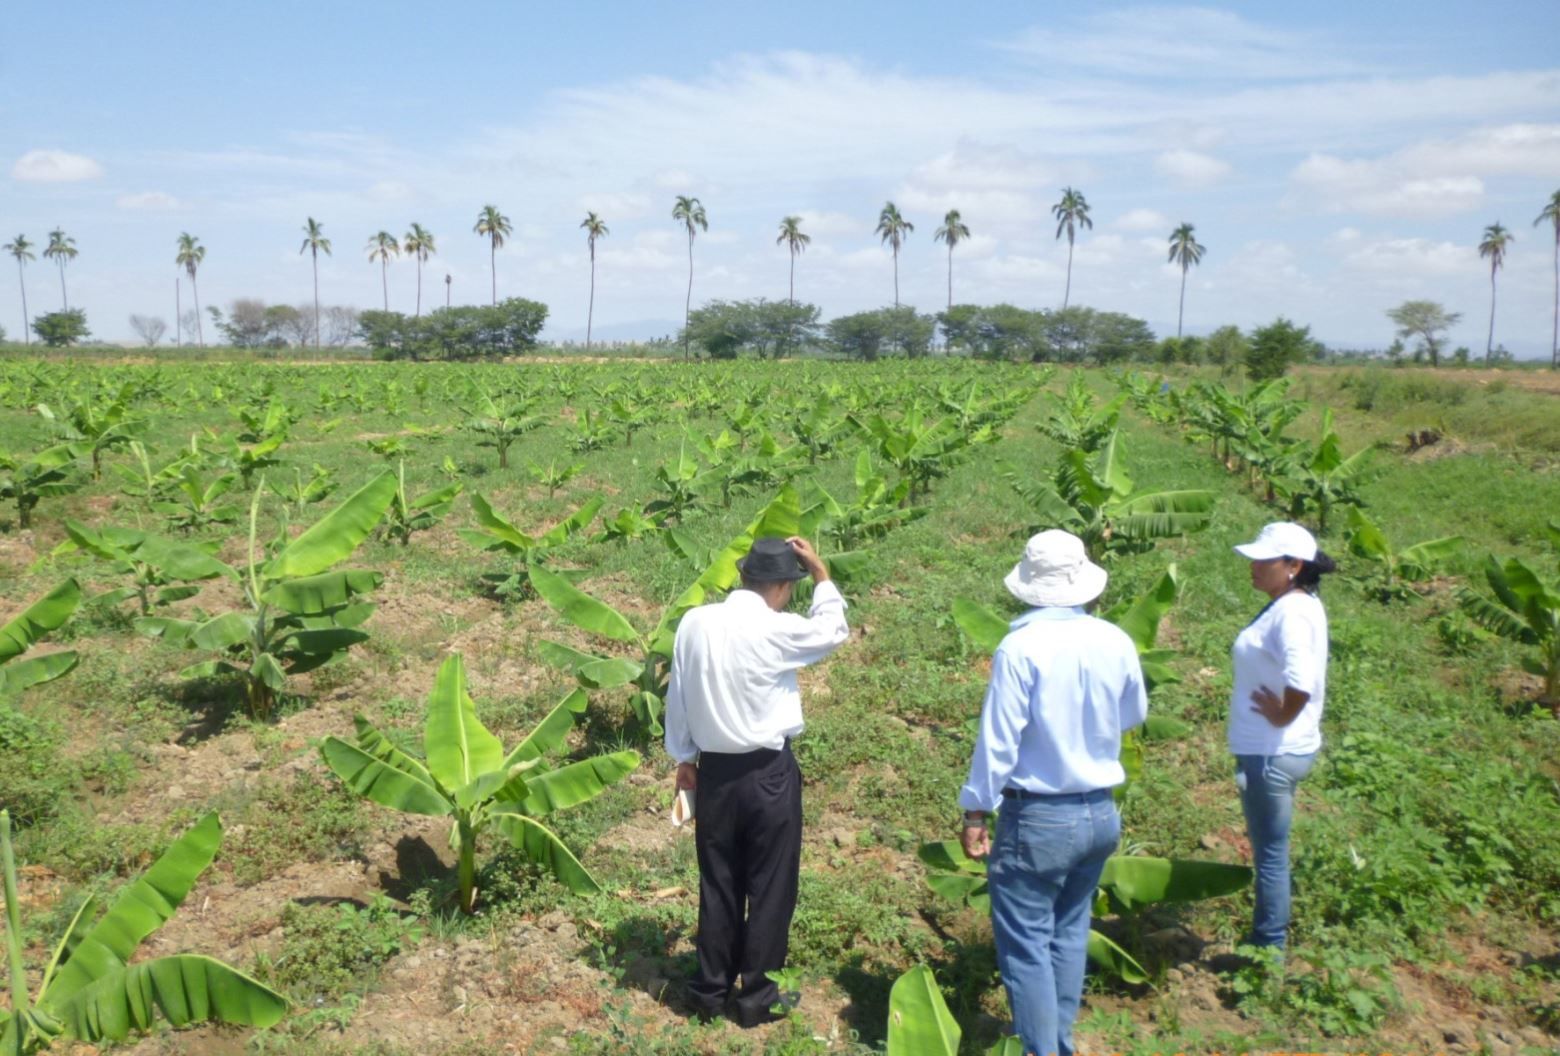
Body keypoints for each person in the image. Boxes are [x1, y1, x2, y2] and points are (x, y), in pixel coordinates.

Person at [958, 530, 1148, 1056]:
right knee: (1068, 932)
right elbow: (1133, 714)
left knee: (1026, 948)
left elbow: (998, 740)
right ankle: (1059, 1042)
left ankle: (1044, 1050)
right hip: (1099, 814)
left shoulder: (1020, 647)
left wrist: (976, 808)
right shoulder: (1115, 640)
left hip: (1040, 817)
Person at [664, 535, 849, 1027]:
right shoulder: (778, 629)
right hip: (768, 775)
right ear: (785, 587)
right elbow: (833, 630)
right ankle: (757, 1000)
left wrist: (684, 758)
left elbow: (678, 693)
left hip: (715, 773)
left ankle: (708, 993)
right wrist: (823, 575)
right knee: (770, 885)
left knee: (718, 881)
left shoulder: (695, 622)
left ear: (744, 576)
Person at [1229, 521, 1335, 951]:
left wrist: (1282, 714)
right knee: (1271, 852)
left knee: (1271, 857)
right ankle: (1266, 943)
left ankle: (1267, 950)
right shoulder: (1294, 603)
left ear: (1293, 565)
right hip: (1279, 748)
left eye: (1263, 560)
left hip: (1272, 753)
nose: (1253, 566)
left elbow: (1301, 679)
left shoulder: (1292, 612)